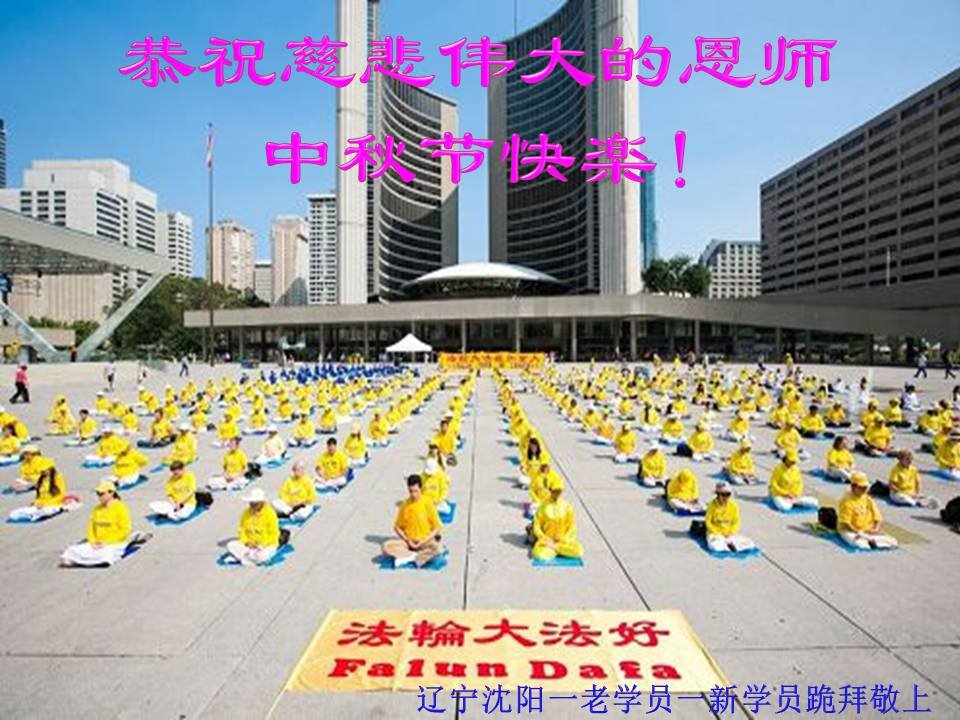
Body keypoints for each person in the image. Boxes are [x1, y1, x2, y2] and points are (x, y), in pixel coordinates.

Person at [61, 480, 148, 567]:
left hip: (114, 542)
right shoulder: (96, 509)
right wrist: (93, 542)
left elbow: (125, 529)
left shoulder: (120, 508)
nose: (99, 496)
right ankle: (88, 559)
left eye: (101, 494)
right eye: (98, 493)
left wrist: (107, 542)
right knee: (71, 551)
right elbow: (91, 529)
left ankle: (134, 537)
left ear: (111, 493)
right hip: (97, 543)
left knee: (107, 554)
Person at [381, 474, 444, 567]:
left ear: (421, 489)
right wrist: (407, 540)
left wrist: (423, 541)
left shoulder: (428, 503)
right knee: (386, 546)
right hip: (409, 543)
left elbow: (437, 527)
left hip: (424, 541)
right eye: (411, 491)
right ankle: (414, 556)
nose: (413, 494)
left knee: (437, 548)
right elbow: (397, 527)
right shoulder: (405, 505)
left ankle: (409, 557)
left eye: (416, 491)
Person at [528, 473, 583, 562]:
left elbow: (572, 527)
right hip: (547, 542)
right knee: (539, 555)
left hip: (563, 542)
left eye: (558, 492)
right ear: (550, 491)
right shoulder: (543, 506)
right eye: (554, 492)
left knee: (579, 551)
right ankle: (561, 550)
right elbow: (537, 527)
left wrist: (564, 539)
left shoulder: (566, 506)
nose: (556, 494)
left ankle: (556, 549)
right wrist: (545, 540)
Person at [837, 473, 898, 550]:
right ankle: (872, 542)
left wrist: (875, 529)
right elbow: (846, 524)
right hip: (850, 531)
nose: (864, 490)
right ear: (853, 487)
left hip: (867, 531)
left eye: (865, 487)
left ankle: (872, 541)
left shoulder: (868, 499)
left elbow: (877, 517)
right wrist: (858, 532)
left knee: (893, 542)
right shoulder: (846, 501)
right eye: (861, 487)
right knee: (862, 545)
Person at [225, 488, 281, 566]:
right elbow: (242, 530)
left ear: (261, 503)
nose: (252, 506)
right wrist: (246, 542)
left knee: (262, 556)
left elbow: (274, 534)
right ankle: (250, 558)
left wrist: (259, 544)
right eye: (251, 503)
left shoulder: (270, 514)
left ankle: (244, 558)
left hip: (264, 546)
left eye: (255, 504)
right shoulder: (245, 513)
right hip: (249, 545)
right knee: (230, 545)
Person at [8, 465, 73, 522]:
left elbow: (61, 495)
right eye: (42, 470)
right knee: (13, 514)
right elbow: (38, 496)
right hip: (41, 507)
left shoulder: (58, 478)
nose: (44, 471)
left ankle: (36, 515)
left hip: (53, 505)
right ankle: (33, 516)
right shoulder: (41, 480)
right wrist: (36, 503)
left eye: (45, 469)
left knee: (46, 511)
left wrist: (45, 504)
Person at [705, 482, 756, 553]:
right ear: (718, 494)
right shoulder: (711, 506)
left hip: (730, 534)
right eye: (723, 494)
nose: (725, 497)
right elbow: (708, 522)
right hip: (716, 534)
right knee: (715, 547)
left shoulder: (733, 506)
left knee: (750, 544)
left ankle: (730, 546)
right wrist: (718, 533)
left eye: (728, 494)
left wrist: (731, 532)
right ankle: (729, 546)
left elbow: (736, 522)